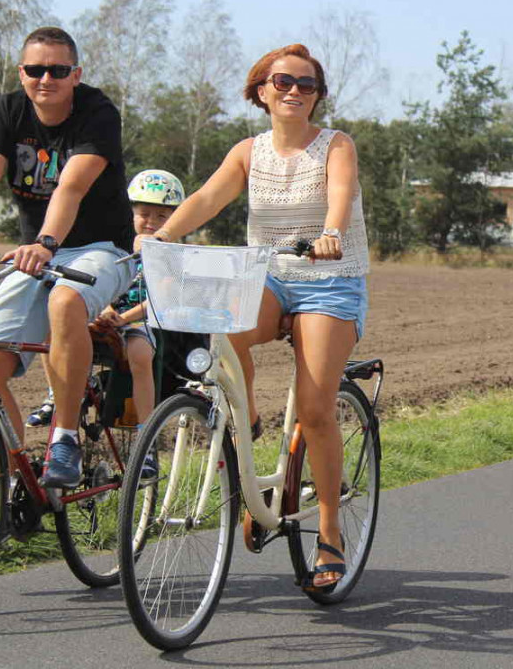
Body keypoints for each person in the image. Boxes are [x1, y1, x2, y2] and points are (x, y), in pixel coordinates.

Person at [137, 43, 369, 591]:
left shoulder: (336, 146)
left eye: (306, 85)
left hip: (329, 282)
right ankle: (250, 417)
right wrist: (162, 237)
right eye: (282, 81)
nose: (293, 91)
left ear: (317, 97)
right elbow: (207, 198)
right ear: (261, 90)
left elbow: (340, 195)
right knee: (219, 331)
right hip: (268, 276)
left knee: (315, 410)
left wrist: (332, 232)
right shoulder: (248, 152)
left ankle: (331, 528)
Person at [0, 26, 134, 494]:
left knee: (65, 303)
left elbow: (71, 186)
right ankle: (22, 489)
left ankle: (66, 438)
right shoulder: (9, 111)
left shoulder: (97, 113)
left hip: (100, 250)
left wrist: (48, 241)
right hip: (36, 253)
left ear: (76, 74)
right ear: (22, 72)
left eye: (57, 70)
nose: (45, 79)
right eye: (35, 70)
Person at [29, 169, 186, 434]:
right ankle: (56, 396)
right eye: (144, 214)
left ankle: (146, 434)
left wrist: (124, 317)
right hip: (103, 314)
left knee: (140, 353)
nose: (151, 222)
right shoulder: (115, 247)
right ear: (130, 214)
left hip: (140, 321)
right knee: (53, 329)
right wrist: (105, 309)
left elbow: (161, 299)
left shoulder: (172, 256)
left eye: (162, 216)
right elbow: (99, 282)